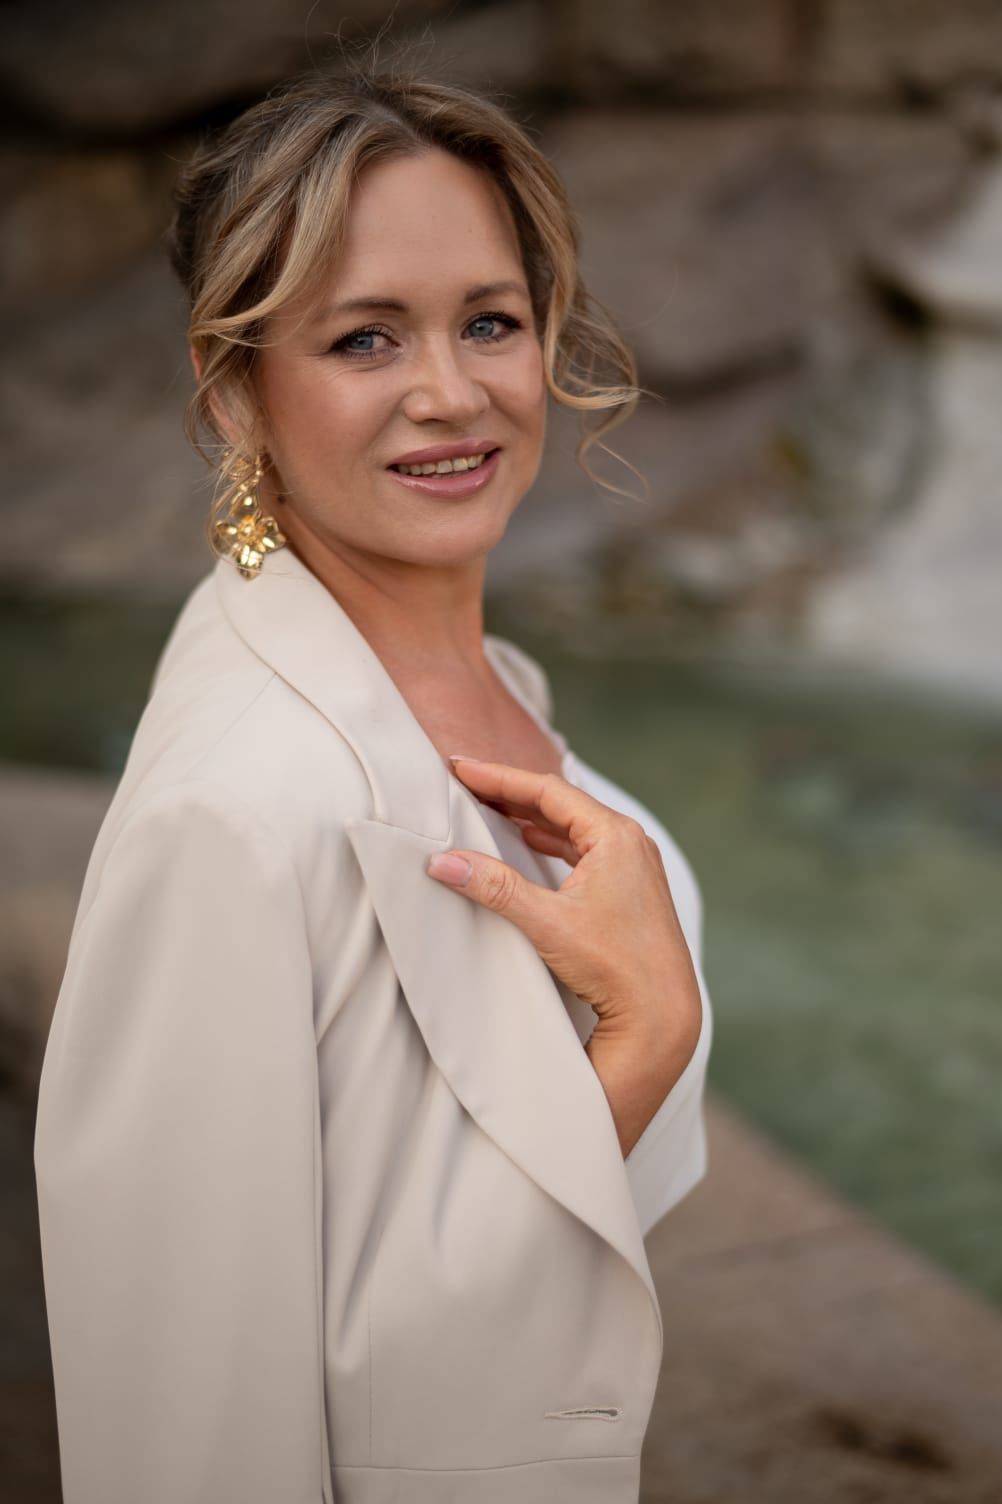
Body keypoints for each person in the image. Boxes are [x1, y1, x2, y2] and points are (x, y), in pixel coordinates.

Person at [33, 62, 713, 1504]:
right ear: (235, 391)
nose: (451, 393)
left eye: (490, 321)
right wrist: (643, 1040)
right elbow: (185, 1439)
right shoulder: (232, 813)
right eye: (364, 338)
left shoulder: (493, 683)